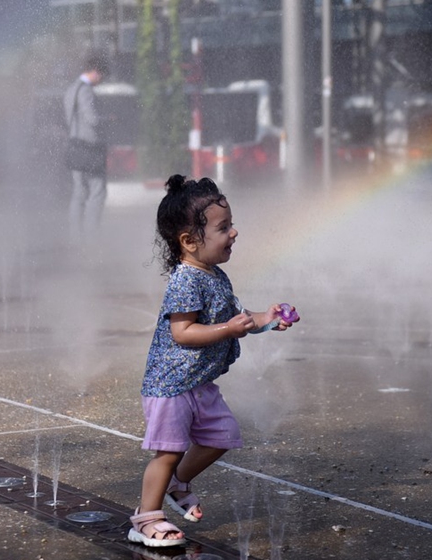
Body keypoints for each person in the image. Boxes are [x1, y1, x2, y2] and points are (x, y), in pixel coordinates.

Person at [128, 174, 298, 547]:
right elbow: (183, 332)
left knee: (221, 436)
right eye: (224, 227)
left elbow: (236, 317)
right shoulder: (186, 280)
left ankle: (177, 483)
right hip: (170, 385)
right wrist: (226, 330)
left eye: (231, 225)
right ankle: (145, 518)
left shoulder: (216, 275)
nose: (234, 233)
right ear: (189, 241)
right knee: (168, 452)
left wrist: (265, 320)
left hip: (198, 383)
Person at [63, 52, 110, 243]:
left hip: (75, 147)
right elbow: (91, 119)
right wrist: (107, 120)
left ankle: (76, 237)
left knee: (78, 193)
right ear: (96, 72)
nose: (101, 80)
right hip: (89, 149)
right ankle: (92, 238)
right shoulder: (86, 91)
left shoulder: (70, 89)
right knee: (98, 192)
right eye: (102, 76)